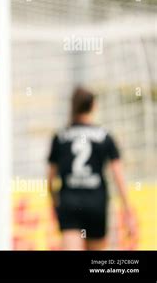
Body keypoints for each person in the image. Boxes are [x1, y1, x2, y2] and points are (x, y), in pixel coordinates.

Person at [47, 87, 137, 250]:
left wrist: (54, 204)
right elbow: (118, 176)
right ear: (93, 106)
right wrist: (128, 212)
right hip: (97, 204)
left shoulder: (60, 136)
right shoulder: (104, 136)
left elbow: (50, 179)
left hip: (69, 204)